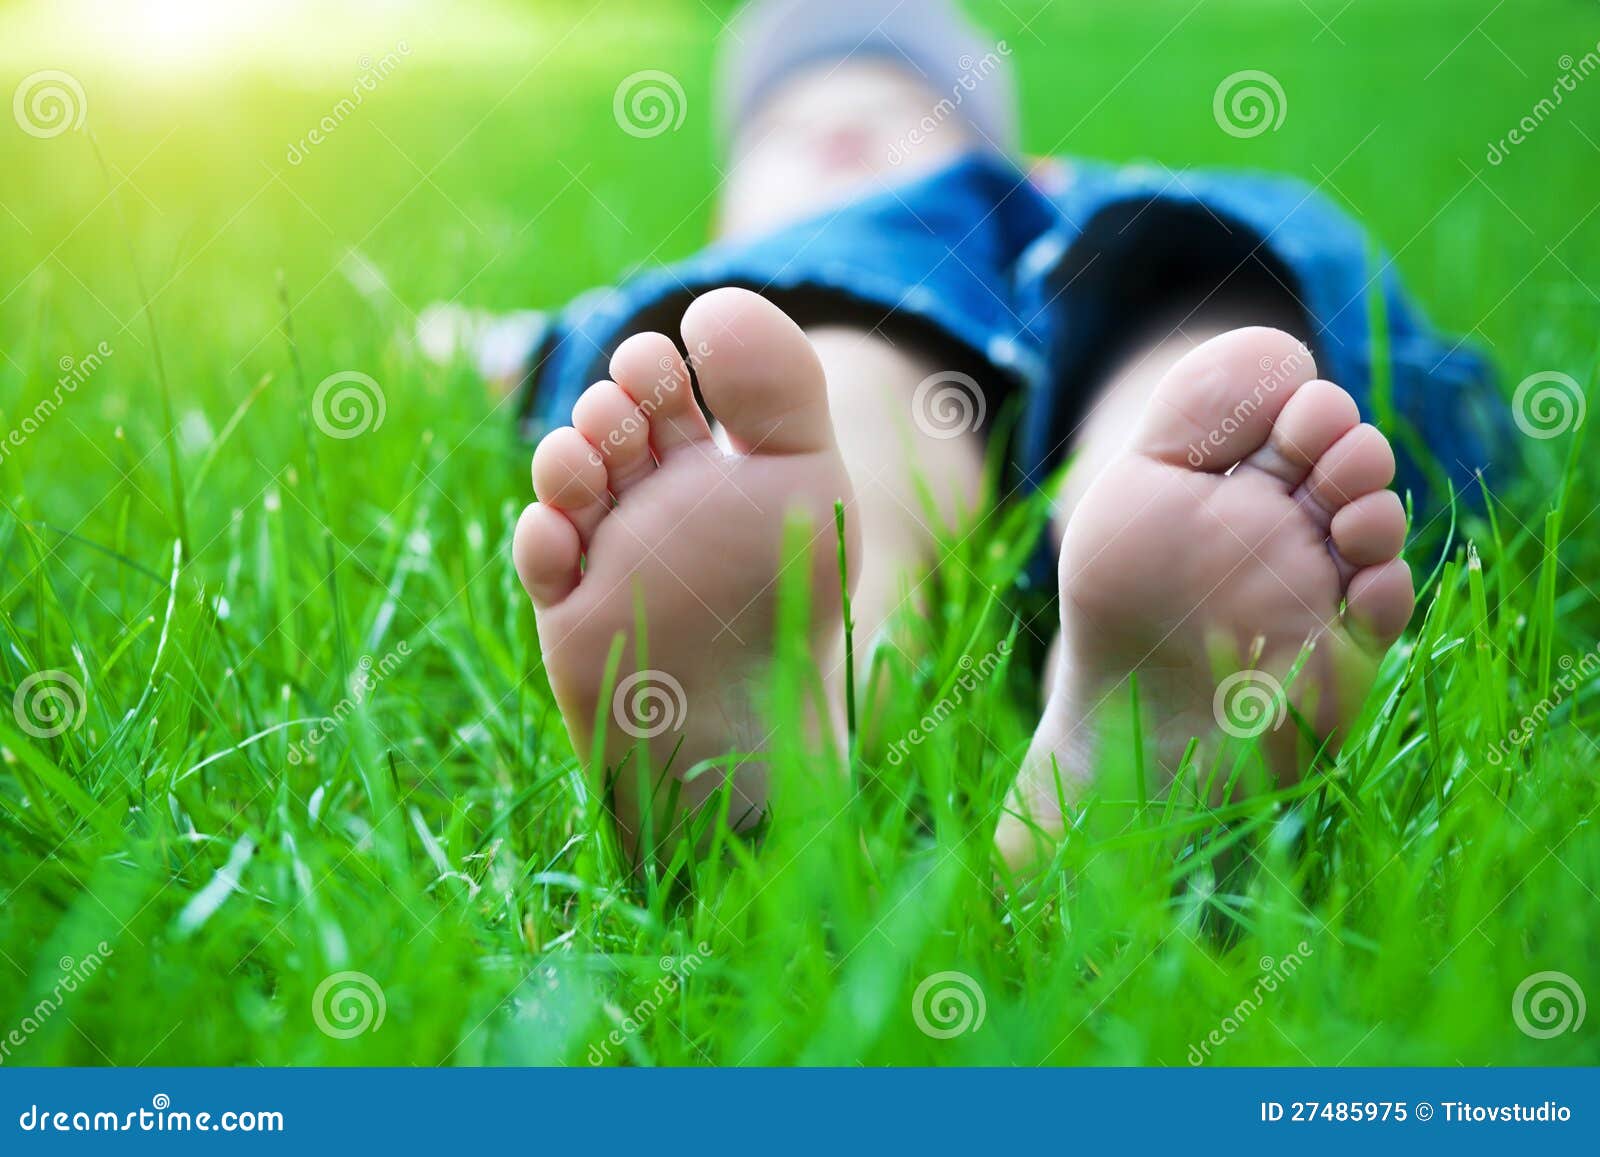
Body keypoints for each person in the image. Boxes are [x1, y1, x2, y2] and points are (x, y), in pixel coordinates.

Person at [484, 0, 1502, 872]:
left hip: (1127, 266)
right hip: (855, 313)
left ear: (1024, 167)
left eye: (898, 116)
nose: (842, 140)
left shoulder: (1067, 203)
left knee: (1209, 317)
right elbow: (491, 343)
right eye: (792, 132)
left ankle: (1173, 548)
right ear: (721, 220)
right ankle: (801, 694)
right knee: (833, 366)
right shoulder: (787, 256)